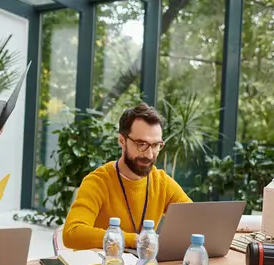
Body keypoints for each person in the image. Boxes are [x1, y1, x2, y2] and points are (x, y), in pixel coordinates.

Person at [63, 103, 192, 250]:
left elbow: (194, 221)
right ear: (122, 140)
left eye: (156, 145)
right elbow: (72, 233)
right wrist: (134, 240)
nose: (149, 155)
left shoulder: (162, 182)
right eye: (141, 144)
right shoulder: (98, 181)